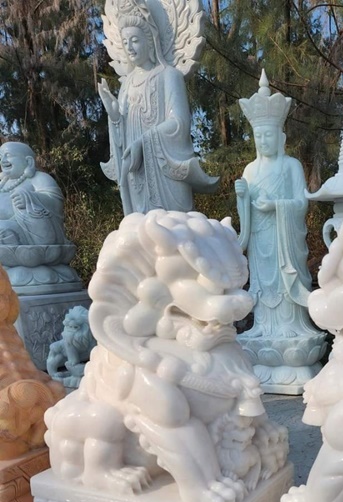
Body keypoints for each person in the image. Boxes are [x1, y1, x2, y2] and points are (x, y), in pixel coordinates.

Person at [98, 10, 217, 215]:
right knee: (140, 225)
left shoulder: (169, 76)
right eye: (125, 42)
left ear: (151, 41)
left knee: (174, 225)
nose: (129, 47)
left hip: (166, 169)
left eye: (135, 40)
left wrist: (143, 142)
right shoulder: (126, 85)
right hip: (138, 172)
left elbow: (179, 122)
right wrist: (115, 117)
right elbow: (122, 139)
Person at [235, 71, 315, 339]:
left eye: (268, 135)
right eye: (258, 136)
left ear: (280, 137)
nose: (263, 141)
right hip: (260, 239)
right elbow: (246, 210)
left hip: (284, 240)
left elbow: (301, 203)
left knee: (284, 280)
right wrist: (242, 197)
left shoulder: (291, 166)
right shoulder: (250, 169)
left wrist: (276, 206)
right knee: (261, 281)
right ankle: (262, 326)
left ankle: (290, 326)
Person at [0, 142, 68, 246]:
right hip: (6, 226)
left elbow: (56, 203)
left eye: (8, 155)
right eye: (1, 157)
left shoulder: (39, 178)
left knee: (3, 229)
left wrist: (29, 198)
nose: (3, 161)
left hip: (30, 232)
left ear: (29, 161)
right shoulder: (2, 183)